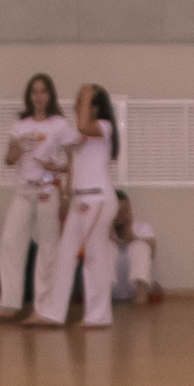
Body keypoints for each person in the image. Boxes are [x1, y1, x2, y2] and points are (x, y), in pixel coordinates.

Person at [29, 84, 119, 329]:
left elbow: (82, 126)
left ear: (96, 106)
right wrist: (56, 170)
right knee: (64, 256)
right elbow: (76, 165)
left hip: (97, 199)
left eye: (85, 100)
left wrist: (88, 93)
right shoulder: (79, 132)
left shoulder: (103, 126)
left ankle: (98, 316)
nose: (79, 103)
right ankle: (51, 312)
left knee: (93, 258)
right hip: (80, 199)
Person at [0, 75, 74, 322]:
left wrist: (57, 166)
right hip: (24, 190)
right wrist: (13, 154)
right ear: (29, 96)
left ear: (51, 95)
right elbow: (9, 159)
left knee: (48, 247)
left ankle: (44, 307)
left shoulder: (60, 125)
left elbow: (73, 161)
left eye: (43, 91)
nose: (38, 97)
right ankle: (9, 303)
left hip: (48, 188)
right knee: (9, 241)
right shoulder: (20, 124)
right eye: (34, 92)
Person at [111, 191, 161, 304]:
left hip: (134, 286)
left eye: (124, 210)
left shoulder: (142, 227)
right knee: (107, 247)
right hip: (109, 287)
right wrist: (109, 230)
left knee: (140, 246)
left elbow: (152, 251)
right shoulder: (104, 229)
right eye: (117, 210)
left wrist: (131, 235)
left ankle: (141, 295)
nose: (120, 214)